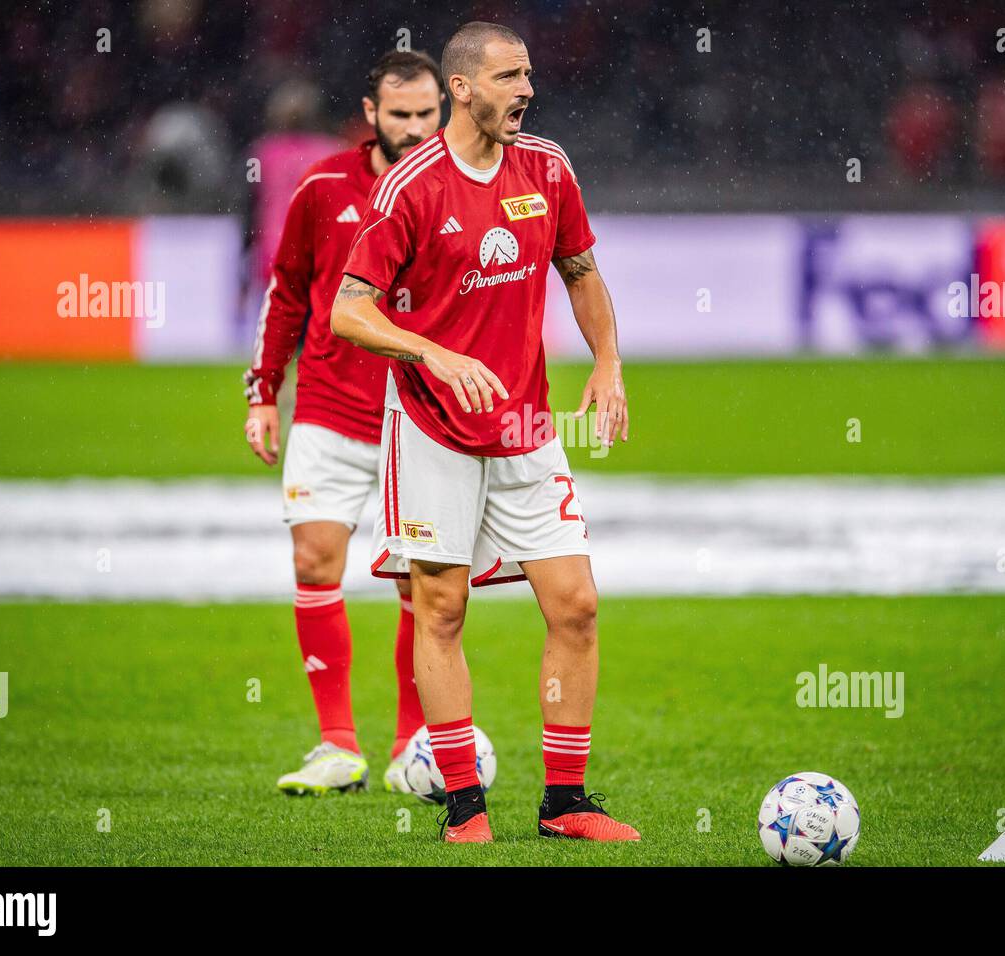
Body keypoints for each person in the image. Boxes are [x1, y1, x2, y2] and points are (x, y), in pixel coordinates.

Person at [331, 21, 637, 843]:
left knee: (575, 604)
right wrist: (433, 351)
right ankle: (465, 808)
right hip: (431, 428)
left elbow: (580, 269)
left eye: (529, 73)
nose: (527, 89)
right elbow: (348, 309)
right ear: (461, 88)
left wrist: (607, 363)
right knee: (443, 607)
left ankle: (565, 803)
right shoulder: (412, 187)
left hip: (528, 424)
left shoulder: (548, 167)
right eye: (509, 76)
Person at [243, 50, 445, 796]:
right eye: (402, 116)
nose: (418, 129)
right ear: (370, 115)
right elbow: (288, 290)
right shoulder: (324, 186)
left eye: (429, 114)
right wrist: (263, 392)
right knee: (314, 563)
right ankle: (336, 746)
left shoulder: (461, 189)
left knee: (422, 589)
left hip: (420, 416)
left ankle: (409, 749)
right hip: (329, 406)